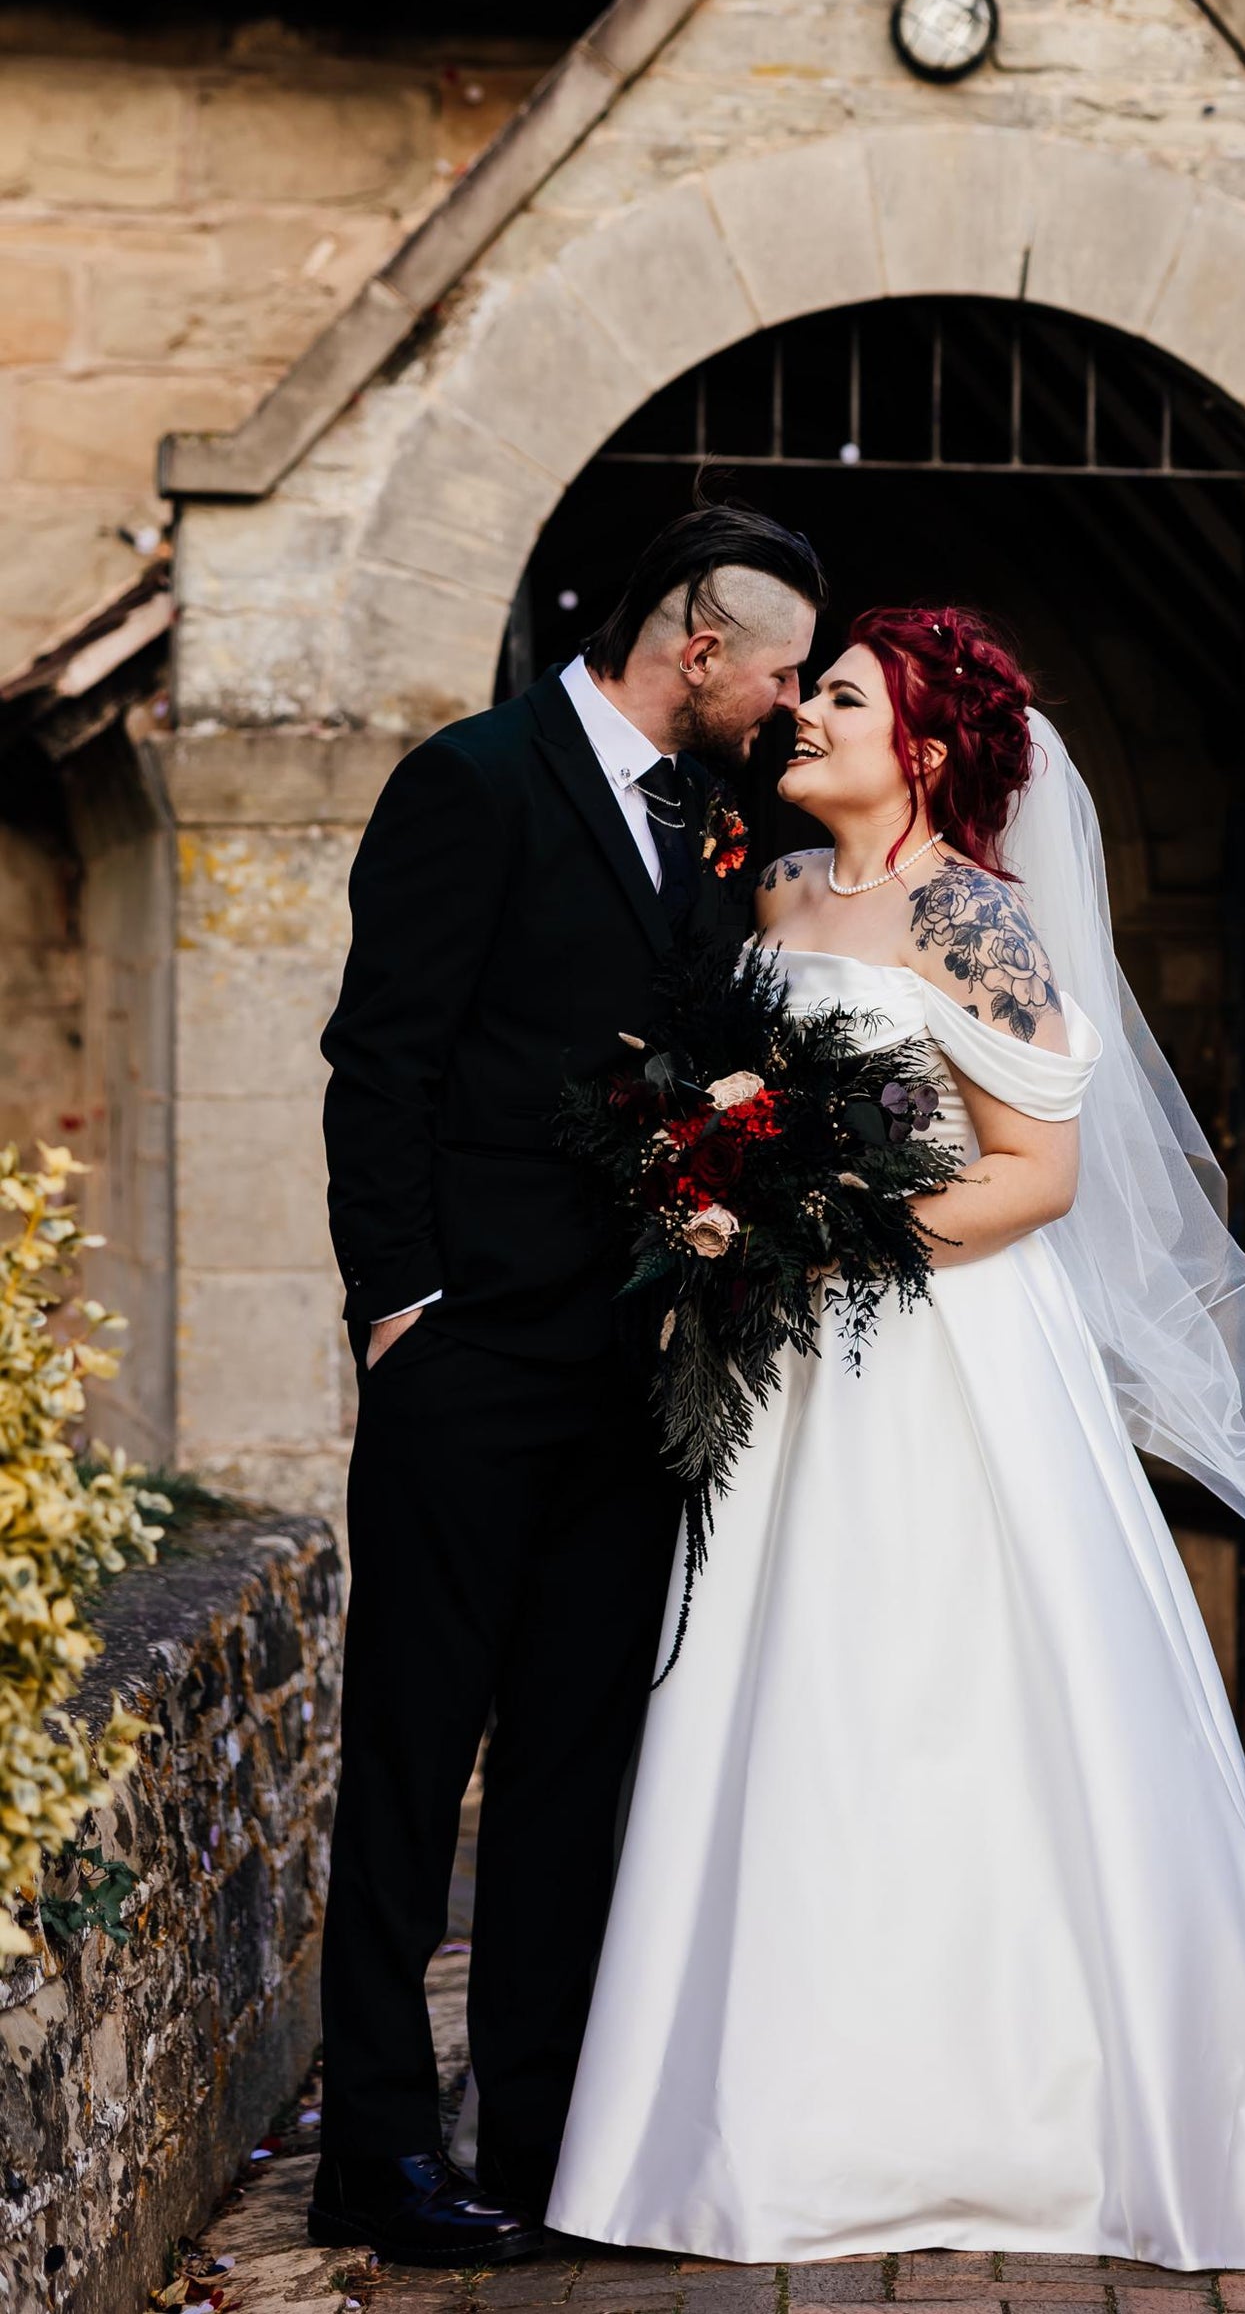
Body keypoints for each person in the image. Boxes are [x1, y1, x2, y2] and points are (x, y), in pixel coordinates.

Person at [547, 604, 1245, 2272]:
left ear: (917, 748)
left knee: (955, 1689)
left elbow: (1033, 1179)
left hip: (945, 1358)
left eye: (840, 696)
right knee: (792, 1698)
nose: (804, 715)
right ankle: (767, 2103)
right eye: (811, 691)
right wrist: (707, 1188)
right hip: (786, 1380)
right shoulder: (769, 897)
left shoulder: (980, 922)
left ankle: (1044, 2093)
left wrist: (811, 1226)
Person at [309, 503, 825, 2268]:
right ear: (697, 647)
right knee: (408, 1759)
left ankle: (534, 2142)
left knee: (571, 1771)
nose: (779, 703)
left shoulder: (709, 820)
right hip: (468, 1358)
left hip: (632, 1373)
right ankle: (373, 2150)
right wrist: (400, 1304)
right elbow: (379, 1056)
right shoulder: (475, 779)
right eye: (770, 672)